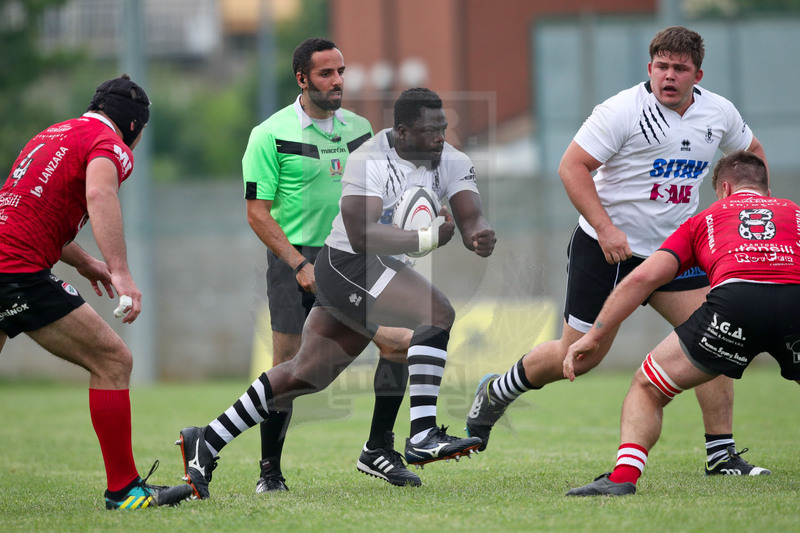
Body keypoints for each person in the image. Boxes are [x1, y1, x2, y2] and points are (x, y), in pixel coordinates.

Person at [466, 26, 770, 476]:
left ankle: (721, 455)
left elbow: (753, 156)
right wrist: (607, 230)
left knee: (716, 336)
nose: (669, 76)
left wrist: (744, 214)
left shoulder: (718, 112)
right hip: (606, 250)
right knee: (581, 357)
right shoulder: (622, 110)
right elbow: (572, 166)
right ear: (649, 68)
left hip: (674, 252)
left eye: (679, 69)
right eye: (661, 66)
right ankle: (498, 390)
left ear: (697, 74)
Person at [176, 87, 496, 499]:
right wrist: (426, 237)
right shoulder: (369, 158)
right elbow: (362, 235)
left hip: (378, 266)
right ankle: (421, 434)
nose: (440, 137)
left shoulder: (450, 159)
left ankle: (206, 439)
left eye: (443, 128)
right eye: (429, 130)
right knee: (436, 314)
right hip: (347, 264)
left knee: (304, 374)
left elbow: (470, 213)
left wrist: (478, 234)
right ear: (401, 132)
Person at [0, 75, 193, 509]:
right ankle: (124, 490)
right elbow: (100, 192)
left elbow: (27, 207)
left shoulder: (51, 134)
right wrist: (122, 272)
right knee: (113, 359)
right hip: (16, 270)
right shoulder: (112, 146)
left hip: (6, 258)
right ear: (134, 128)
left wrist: (87, 262)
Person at [565, 151, 799, 495]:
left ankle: (623, 479)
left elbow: (641, 279)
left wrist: (594, 335)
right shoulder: (794, 213)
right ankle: (720, 454)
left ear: (724, 188)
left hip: (733, 309)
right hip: (795, 302)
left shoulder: (704, 219)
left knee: (647, 387)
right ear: (766, 188)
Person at [242, 37, 417, 490]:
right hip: (294, 261)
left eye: (340, 71)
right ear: (302, 79)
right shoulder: (269, 134)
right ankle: (269, 473)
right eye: (326, 74)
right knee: (288, 366)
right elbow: (257, 213)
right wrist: (298, 264)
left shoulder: (361, 129)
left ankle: (379, 448)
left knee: (398, 342)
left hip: (354, 257)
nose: (337, 81)